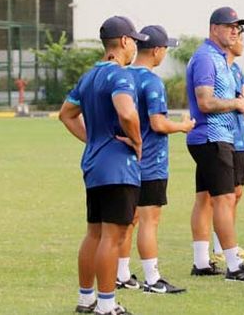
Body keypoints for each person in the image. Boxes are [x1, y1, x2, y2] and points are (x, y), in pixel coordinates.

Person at [59, 16, 148, 315]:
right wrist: (137, 141)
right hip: (118, 167)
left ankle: (87, 299)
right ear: (124, 41)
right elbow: (127, 113)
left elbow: (66, 114)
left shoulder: (88, 76)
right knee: (113, 236)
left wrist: (93, 140)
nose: (135, 45)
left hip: (94, 165)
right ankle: (107, 306)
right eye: (134, 40)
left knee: (94, 234)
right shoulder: (120, 75)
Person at [186, 6, 244, 282]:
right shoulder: (207, 58)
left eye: (237, 26)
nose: (235, 30)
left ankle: (201, 262)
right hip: (212, 135)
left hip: (217, 136)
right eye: (229, 25)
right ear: (214, 29)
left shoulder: (220, 58)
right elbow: (205, 102)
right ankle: (234, 265)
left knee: (206, 198)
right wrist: (237, 102)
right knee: (224, 198)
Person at [116, 25, 192, 295]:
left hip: (125, 163)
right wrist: (183, 126)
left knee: (129, 220)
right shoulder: (152, 81)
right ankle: (152, 279)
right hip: (151, 163)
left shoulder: (122, 76)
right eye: (165, 49)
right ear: (157, 51)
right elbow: (158, 123)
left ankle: (122, 275)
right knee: (150, 220)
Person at [212, 26, 244, 261]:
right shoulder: (221, 70)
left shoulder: (236, 69)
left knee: (236, 194)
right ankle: (220, 247)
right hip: (227, 138)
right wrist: (240, 100)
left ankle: (228, 243)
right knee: (226, 195)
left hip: (243, 139)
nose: (241, 43)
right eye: (240, 39)